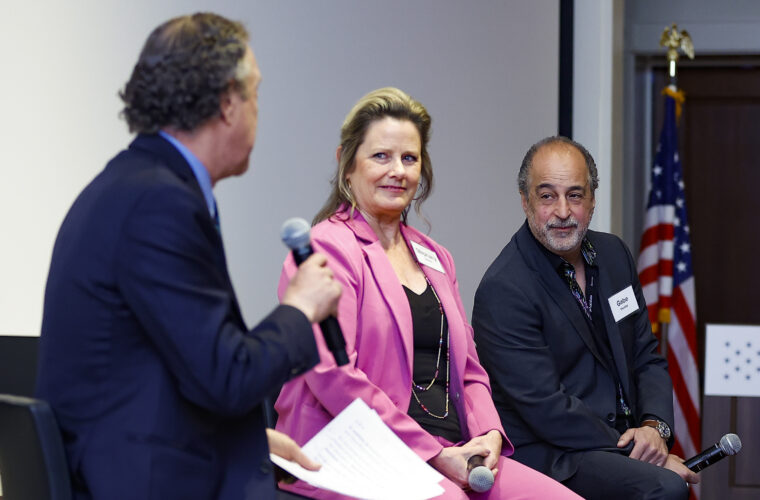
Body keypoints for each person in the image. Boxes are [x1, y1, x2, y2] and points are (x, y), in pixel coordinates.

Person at [35, 13, 341, 500]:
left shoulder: (131, 185)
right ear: (226, 104)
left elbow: (175, 367)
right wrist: (302, 308)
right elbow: (228, 377)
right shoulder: (160, 203)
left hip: (132, 460)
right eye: (256, 93)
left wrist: (244, 440)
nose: (260, 109)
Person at [273, 88, 579, 499]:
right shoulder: (326, 248)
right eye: (381, 156)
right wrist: (432, 453)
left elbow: (469, 369)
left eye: (409, 158)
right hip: (355, 451)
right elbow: (333, 376)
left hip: (453, 451)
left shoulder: (435, 257)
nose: (397, 170)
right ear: (347, 165)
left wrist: (488, 433)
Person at [471, 136, 700, 500]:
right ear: (525, 201)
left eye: (575, 195)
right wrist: (638, 453)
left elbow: (646, 356)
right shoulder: (504, 288)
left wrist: (655, 428)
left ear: (592, 201)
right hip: (555, 452)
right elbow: (546, 407)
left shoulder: (613, 255)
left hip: (621, 442)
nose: (562, 211)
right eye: (547, 196)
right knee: (667, 487)